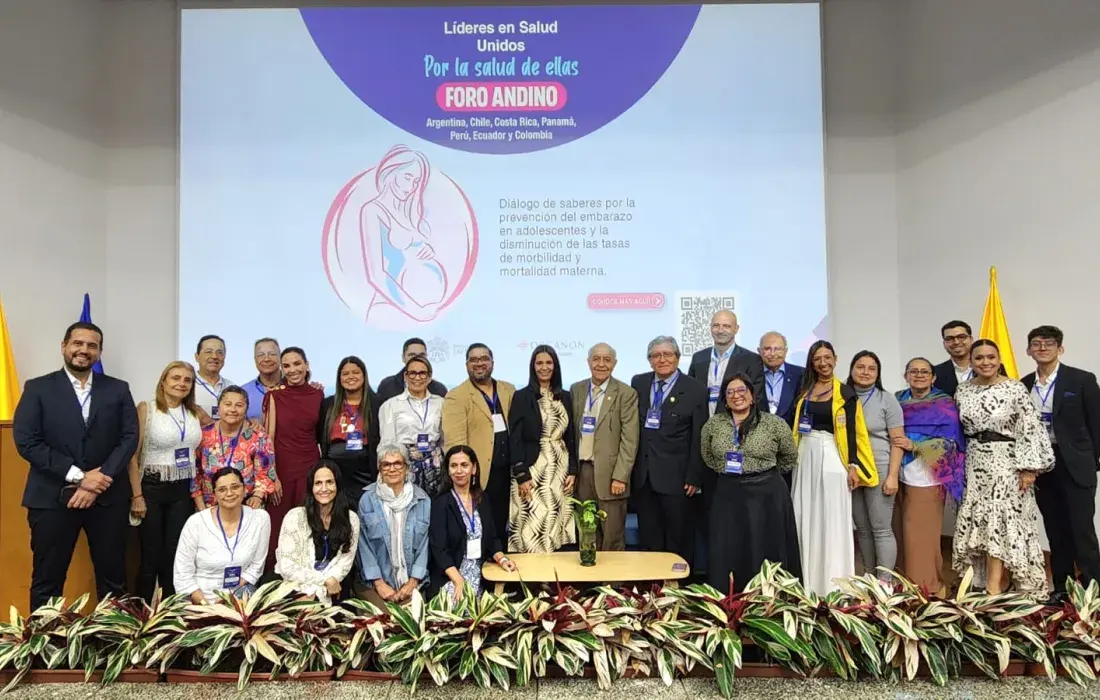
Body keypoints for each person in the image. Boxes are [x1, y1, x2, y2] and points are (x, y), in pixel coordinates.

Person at [14, 322, 139, 611]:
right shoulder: (38, 388)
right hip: (51, 499)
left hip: (108, 500)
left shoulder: (118, 389)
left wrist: (102, 477)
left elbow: (129, 437)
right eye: (78, 343)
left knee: (113, 581)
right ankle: (46, 650)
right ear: (64, 346)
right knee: (47, 580)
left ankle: (112, 645)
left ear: (99, 352)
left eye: (92, 346)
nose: (84, 350)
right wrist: (80, 477)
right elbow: (26, 441)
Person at [952, 339, 1054, 597]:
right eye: (979, 358)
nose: (985, 362)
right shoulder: (962, 391)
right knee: (982, 522)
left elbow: (1030, 428)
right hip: (975, 462)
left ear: (999, 360)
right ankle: (989, 582)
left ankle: (993, 588)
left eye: (990, 357)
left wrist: (1029, 468)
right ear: (971, 362)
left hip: (1007, 462)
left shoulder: (1015, 389)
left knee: (1001, 519)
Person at [790, 340, 877, 596]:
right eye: (818, 358)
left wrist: (853, 465)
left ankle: (834, 584)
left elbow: (853, 432)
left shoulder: (846, 393)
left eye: (827, 357)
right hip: (804, 455)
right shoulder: (804, 388)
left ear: (836, 359)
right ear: (812, 362)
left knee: (832, 518)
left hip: (832, 456)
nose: (823, 363)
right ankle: (806, 582)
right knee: (804, 514)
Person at [700, 374, 800, 592]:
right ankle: (730, 602)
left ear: (752, 396)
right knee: (728, 548)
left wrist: (763, 474)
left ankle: (766, 597)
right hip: (729, 493)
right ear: (725, 400)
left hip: (766, 494)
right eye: (730, 392)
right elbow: (707, 456)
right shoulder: (713, 424)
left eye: (742, 391)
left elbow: (790, 457)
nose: (737, 396)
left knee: (765, 548)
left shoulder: (773, 423)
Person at [1021, 326, 1100, 599]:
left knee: (1083, 530)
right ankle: (1062, 589)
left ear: (1060, 348)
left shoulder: (1082, 380)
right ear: (1029, 350)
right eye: (1036, 343)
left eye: (1049, 343)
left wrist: (1093, 461)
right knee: (1055, 529)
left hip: (1076, 465)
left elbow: (1096, 423)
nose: (1042, 347)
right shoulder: (1024, 384)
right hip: (1042, 467)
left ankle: (1092, 590)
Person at [128, 361, 203, 601]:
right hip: (151, 488)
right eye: (176, 378)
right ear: (163, 381)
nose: (181, 383)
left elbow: (223, 426)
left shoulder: (195, 412)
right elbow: (133, 456)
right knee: (151, 555)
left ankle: (171, 612)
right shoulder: (146, 409)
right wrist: (137, 496)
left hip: (181, 491)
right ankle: (142, 614)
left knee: (175, 553)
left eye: (187, 380)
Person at [631, 336, 708, 566]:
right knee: (649, 540)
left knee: (678, 539)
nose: (662, 359)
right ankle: (651, 590)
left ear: (677, 357)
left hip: (677, 479)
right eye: (656, 355)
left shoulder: (695, 389)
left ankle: (680, 592)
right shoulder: (639, 383)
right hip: (644, 477)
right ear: (649, 360)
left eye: (667, 354)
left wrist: (695, 475)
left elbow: (699, 436)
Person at [892, 357, 966, 595]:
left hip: (928, 475)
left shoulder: (944, 403)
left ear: (933, 377)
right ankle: (903, 582)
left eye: (925, 371)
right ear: (906, 375)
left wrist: (913, 444)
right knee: (900, 530)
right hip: (897, 472)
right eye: (913, 371)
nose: (919, 375)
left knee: (921, 534)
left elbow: (952, 442)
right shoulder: (897, 400)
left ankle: (927, 587)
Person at [568, 343, 639, 551]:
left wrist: (621, 476)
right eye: (596, 359)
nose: (601, 364)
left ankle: (613, 584)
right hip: (582, 474)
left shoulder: (626, 393)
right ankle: (590, 582)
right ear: (588, 362)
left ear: (614, 364)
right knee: (587, 533)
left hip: (611, 476)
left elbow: (630, 439)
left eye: (606, 360)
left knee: (612, 537)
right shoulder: (577, 390)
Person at [508, 345, 578, 553]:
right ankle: (531, 581)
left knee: (555, 524)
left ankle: (554, 581)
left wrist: (573, 470)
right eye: (539, 363)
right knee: (532, 525)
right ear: (533, 367)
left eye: (549, 363)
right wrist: (521, 474)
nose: (544, 367)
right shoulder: (521, 396)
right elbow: (515, 438)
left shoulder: (565, 396)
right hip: (532, 470)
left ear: (555, 366)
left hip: (559, 469)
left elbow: (571, 437)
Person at [442, 343, 516, 536]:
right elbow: (455, 445)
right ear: (466, 364)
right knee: (481, 530)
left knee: (504, 529)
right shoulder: (456, 397)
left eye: (484, 358)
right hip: (479, 476)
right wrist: (465, 473)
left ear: (492, 362)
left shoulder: (509, 390)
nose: (479, 363)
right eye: (473, 360)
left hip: (509, 475)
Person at [846, 351, 904, 580]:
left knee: (881, 529)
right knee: (862, 530)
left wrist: (892, 476)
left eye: (872, 368)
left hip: (880, 469)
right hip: (851, 470)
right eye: (861, 367)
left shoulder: (886, 399)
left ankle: (885, 582)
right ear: (851, 369)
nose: (866, 372)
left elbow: (898, 441)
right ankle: (869, 578)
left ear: (878, 373)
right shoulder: (842, 397)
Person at [430, 445, 516, 601]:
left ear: (474, 468)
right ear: (448, 471)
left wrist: (502, 559)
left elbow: (492, 538)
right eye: (453, 466)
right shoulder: (441, 503)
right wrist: (458, 581)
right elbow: (439, 549)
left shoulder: (482, 499)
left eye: (464, 465)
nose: (459, 471)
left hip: (479, 576)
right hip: (451, 578)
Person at [263, 347, 323, 567]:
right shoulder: (275, 395)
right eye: (286, 365)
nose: (292, 370)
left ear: (306, 365)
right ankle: (276, 586)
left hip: (310, 467)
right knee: (277, 529)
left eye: (297, 364)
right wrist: (272, 477)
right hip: (282, 470)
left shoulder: (318, 394)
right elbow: (268, 439)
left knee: (308, 525)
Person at [174, 467, 271, 603]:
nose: (229, 493)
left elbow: (256, 567)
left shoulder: (260, 519)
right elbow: (182, 575)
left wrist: (227, 599)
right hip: (198, 600)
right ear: (214, 494)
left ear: (245, 489)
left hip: (237, 596)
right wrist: (207, 607)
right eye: (222, 489)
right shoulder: (196, 523)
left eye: (235, 487)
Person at [275, 460, 360, 605]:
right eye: (318, 483)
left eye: (329, 482)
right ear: (311, 487)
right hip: (295, 583)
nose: (324, 488)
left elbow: (346, 561)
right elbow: (287, 566)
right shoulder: (295, 516)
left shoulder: (351, 518)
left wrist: (331, 581)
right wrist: (323, 582)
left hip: (335, 583)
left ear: (337, 485)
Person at [356, 444, 431, 607]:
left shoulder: (423, 500)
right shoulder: (367, 500)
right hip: (375, 584)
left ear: (406, 468)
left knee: (414, 625)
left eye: (398, 463)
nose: (392, 469)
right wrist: (379, 583)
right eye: (386, 464)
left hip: (413, 582)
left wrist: (413, 582)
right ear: (380, 469)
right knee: (382, 625)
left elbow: (425, 545)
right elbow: (363, 545)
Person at [193, 386, 278, 509]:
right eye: (228, 404)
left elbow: (265, 473)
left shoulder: (258, 437)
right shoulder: (203, 435)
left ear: (246, 409)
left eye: (239, 405)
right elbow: (195, 473)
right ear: (219, 407)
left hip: (247, 506)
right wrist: (201, 508)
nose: (232, 409)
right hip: (209, 506)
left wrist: (257, 496)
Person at [379, 356, 445, 497]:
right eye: (412, 373)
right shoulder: (391, 405)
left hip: (436, 466)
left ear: (429, 377)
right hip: (405, 466)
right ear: (405, 376)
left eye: (422, 373)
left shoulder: (440, 403)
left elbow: (444, 439)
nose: (417, 377)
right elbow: (387, 443)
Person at [687, 310, 766, 415]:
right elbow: (691, 395)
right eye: (716, 325)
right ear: (710, 328)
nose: (720, 330)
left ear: (736, 329)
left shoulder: (751, 360)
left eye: (726, 326)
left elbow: (755, 399)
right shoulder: (698, 358)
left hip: (734, 426)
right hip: (701, 425)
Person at [320, 356, 379, 492]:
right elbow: (320, 437)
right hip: (335, 474)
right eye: (345, 374)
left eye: (356, 372)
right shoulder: (328, 404)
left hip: (367, 474)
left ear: (364, 375)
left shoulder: (378, 403)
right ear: (339, 378)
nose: (350, 377)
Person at [374, 337, 448, 407]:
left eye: (421, 355)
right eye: (412, 355)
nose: (417, 359)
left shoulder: (439, 389)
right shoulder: (387, 386)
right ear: (403, 358)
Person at [758, 331, 804, 427]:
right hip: (758, 434)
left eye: (778, 349)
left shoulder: (800, 374)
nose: (773, 353)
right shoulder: (751, 374)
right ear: (759, 351)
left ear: (785, 351)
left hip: (789, 434)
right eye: (767, 349)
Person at [193, 335, 234, 422]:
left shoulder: (232, 387)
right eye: (208, 352)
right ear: (197, 357)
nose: (214, 356)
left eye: (220, 353)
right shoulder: (187, 385)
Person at [243, 338, 285, 421]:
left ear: (280, 357)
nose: (266, 359)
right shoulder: (244, 392)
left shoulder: (296, 387)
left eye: (272, 354)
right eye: (260, 355)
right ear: (255, 359)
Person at [934, 321, 973, 397]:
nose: (956, 342)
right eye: (949, 339)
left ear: (971, 339)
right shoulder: (935, 373)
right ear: (944, 344)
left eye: (961, 337)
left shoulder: (990, 368)